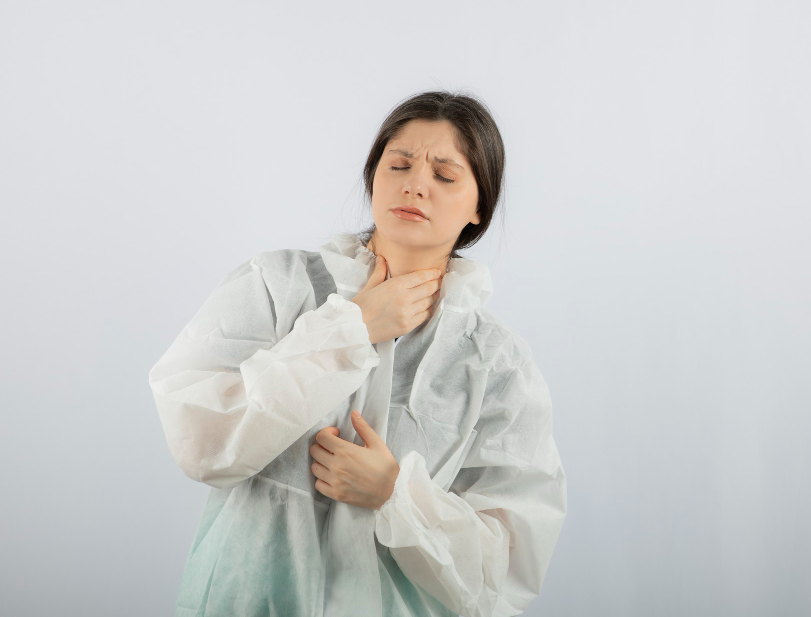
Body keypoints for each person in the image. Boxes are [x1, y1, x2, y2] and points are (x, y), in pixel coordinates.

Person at [148, 91, 568, 616]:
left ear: (479, 206)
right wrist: (349, 330)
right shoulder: (277, 287)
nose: (415, 184)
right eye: (399, 164)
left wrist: (396, 495)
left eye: (444, 175)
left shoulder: (496, 363)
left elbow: (507, 566)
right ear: (374, 177)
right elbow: (199, 439)